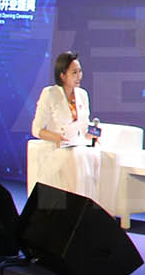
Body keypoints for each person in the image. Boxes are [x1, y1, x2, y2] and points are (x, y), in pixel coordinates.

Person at [30, 52, 119, 210]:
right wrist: (56, 137)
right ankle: (74, 209)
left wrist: (92, 133)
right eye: (74, 73)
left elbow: (84, 128)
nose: (79, 76)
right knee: (76, 158)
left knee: (98, 157)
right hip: (57, 147)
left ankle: (94, 210)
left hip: (78, 146)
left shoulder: (82, 95)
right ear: (62, 75)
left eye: (80, 72)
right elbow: (36, 130)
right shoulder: (49, 94)